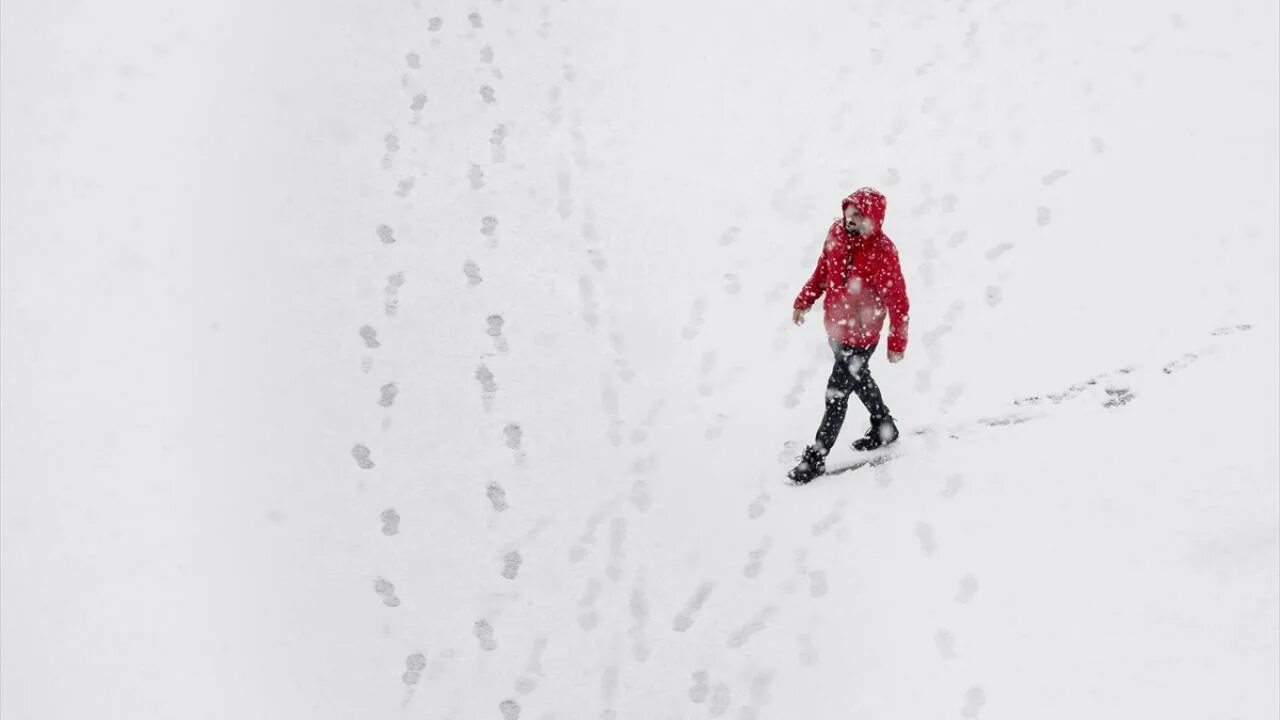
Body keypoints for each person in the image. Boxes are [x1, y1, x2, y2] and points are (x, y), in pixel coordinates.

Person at [787, 187, 910, 484]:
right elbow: (822, 270)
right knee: (859, 378)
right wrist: (805, 299)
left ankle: (816, 457)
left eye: (859, 214)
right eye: (849, 211)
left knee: (837, 393)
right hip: (836, 328)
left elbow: (898, 301)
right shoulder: (837, 234)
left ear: (873, 219)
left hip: (862, 336)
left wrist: (896, 343)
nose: (850, 219)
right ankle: (884, 427)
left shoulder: (882, 252)